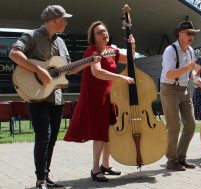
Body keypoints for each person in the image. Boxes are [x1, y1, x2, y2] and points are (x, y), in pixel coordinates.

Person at [8, 5, 93, 189]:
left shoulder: (61, 43)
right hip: (37, 95)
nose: (66, 22)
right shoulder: (32, 36)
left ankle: (46, 177)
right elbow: (14, 53)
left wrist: (89, 62)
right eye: (64, 19)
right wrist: (40, 70)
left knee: (52, 138)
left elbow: (68, 69)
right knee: (43, 137)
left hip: (55, 95)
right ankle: (40, 181)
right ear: (55, 20)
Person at [63, 21, 135, 182]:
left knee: (109, 131)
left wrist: (132, 45)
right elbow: (97, 73)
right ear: (93, 37)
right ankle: (95, 169)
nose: (104, 33)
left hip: (110, 96)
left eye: (105, 30)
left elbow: (130, 59)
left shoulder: (111, 51)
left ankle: (105, 165)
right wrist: (121, 78)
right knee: (99, 133)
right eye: (100, 32)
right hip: (95, 96)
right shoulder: (92, 50)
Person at [160, 20, 200, 171]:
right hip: (169, 89)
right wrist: (187, 68)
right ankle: (171, 160)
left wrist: (195, 76)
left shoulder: (190, 51)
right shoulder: (170, 51)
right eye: (189, 33)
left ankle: (181, 158)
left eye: (193, 34)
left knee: (190, 124)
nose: (191, 36)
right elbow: (170, 74)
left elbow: (192, 71)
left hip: (184, 89)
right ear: (179, 34)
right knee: (174, 125)